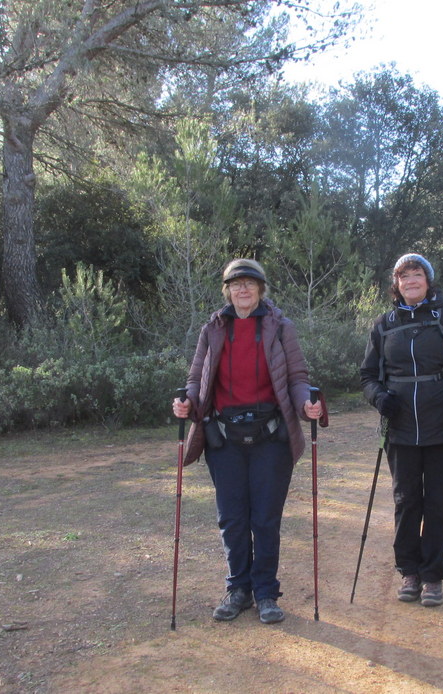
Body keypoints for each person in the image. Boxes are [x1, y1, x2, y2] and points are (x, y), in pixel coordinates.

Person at [172, 258, 323, 625]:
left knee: (265, 519)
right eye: (236, 284)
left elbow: (297, 375)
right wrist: (187, 402)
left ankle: (266, 593)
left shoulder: (280, 327)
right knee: (232, 518)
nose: (242, 289)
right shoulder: (213, 329)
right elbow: (196, 377)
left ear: (260, 290)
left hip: (271, 436)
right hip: (224, 438)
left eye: (249, 284)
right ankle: (237, 589)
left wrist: (307, 403)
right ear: (227, 291)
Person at [360, 253, 443, 608]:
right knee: (406, 501)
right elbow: (368, 375)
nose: (411, 281)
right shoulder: (383, 324)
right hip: (399, 428)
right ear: (396, 285)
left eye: (417, 274)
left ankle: (432, 576)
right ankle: (409, 571)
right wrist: (379, 397)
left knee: (438, 504)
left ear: (428, 281)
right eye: (404, 276)